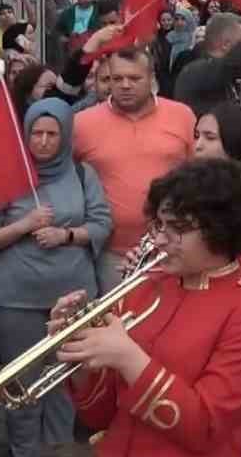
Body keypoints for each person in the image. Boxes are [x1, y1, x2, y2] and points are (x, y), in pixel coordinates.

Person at [55, 158, 241, 457]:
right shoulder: (145, 285)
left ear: (220, 230)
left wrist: (127, 356)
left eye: (177, 229)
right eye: (160, 225)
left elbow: (203, 428)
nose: (160, 239)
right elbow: (101, 416)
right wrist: (80, 359)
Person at [0, 99, 112, 457]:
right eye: (36, 133)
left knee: (63, 380)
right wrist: (23, 225)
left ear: (65, 137)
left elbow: (101, 224)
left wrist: (66, 235)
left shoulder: (83, 174)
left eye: (52, 134)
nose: (44, 141)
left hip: (70, 294)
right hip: (14, 299)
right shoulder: (4, 176)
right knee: (23, 383)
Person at [72, 46, 196, 292]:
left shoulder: (182, 116)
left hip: (174, 251)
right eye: (117, 78)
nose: (125, 85)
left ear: (151, 78)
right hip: (111, 255)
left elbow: (199, 175)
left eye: (134, 78)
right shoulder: (83, 123)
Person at [192, 103, 241, 278]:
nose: (198, 145)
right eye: (197, 136)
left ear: (235, 144)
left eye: (210, 138)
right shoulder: (181, 190)